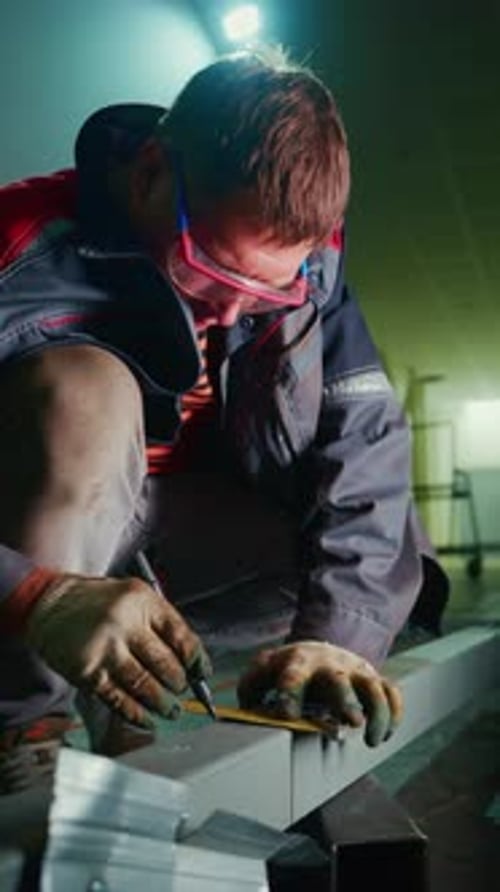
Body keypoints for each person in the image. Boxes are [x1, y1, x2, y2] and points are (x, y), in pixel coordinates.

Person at [0, 50, 447, 793]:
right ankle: (19, 723)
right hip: (36, 533)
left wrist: (336, 641)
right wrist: (32, 593)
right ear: (148, 173)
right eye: (211, 273)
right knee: (85, 393)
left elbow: (366, 456)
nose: (232, 313)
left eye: (264, 295)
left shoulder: (312, 282)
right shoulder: (16, 247)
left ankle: (136, 687)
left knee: (369, 537)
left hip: (177, 542)